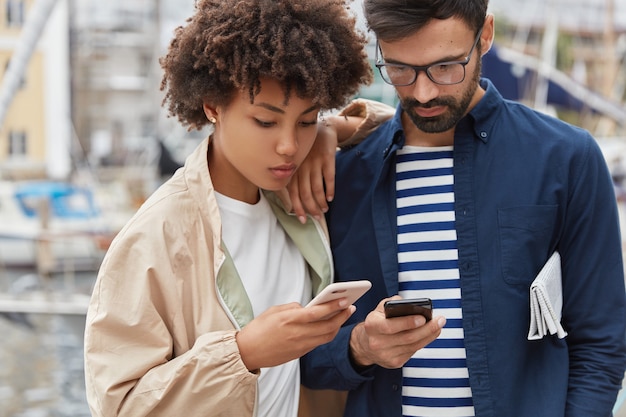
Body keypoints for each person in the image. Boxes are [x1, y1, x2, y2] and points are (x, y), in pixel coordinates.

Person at [294, 1, 626, 416]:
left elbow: (602, 340)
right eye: (400, 69)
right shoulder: (342, 177)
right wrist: (359, 347)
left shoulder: (566, 158)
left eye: (446, 66)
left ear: (484, 35)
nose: (424, 92)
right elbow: (299, 358)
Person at [82, 0, 372, 416]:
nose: (289, 145)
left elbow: (394, 125)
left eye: (306, 121)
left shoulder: (296, 194)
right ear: (213, 106)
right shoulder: (155, 235)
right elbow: (120, 405)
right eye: (266, 122)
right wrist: (244, 353)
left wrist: (332, 130)